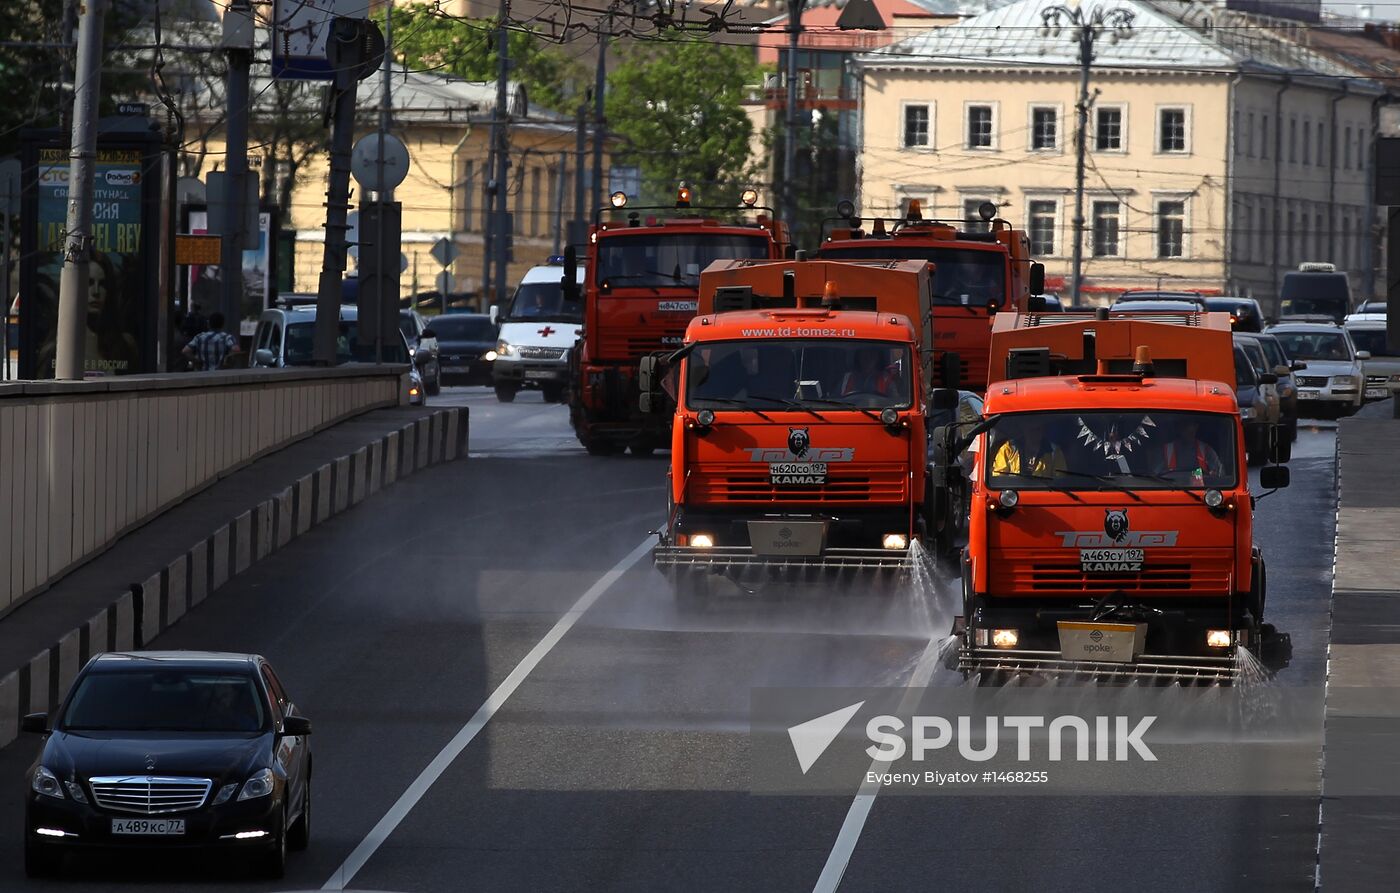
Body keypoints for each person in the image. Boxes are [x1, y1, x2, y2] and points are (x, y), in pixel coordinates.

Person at [992, 416, 1067, 478]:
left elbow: (1060, 480)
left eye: (1038, 428)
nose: (1035, 432)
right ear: (1024, 428)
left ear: (1043, 429)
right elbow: (998, 479)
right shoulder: (1008, 448)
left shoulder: (1054, 451)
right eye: (1031, 428)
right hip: (1014, 491)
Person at [1153, 417, 1223, 483]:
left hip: (1200, 490)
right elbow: (1154, 477)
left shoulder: (1207, 451)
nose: (1188, 429)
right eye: (1184, 425)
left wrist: (1212, 476)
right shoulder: (1165, 450)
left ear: (1196, 427)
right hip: (1170, 488)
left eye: (1190, 425)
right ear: (1178, 428)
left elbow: (1220, 475)